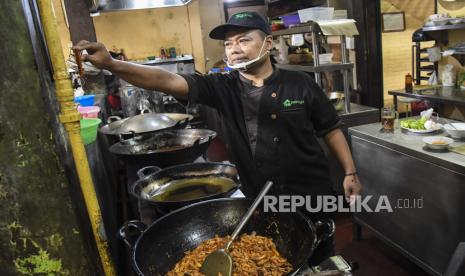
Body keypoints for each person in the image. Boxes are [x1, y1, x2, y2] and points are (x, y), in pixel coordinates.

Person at [74, 11, 361, 265]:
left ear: (268, 44)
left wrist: (349, 172)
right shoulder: (221, 87)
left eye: (244, 40)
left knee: (321, 255)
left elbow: (330, 128)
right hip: (260, 198)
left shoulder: (300, 83)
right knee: (277, 256)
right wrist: (113, 64)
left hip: (311, 191)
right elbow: (165, 80)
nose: (234, 49)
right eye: (228, 43)